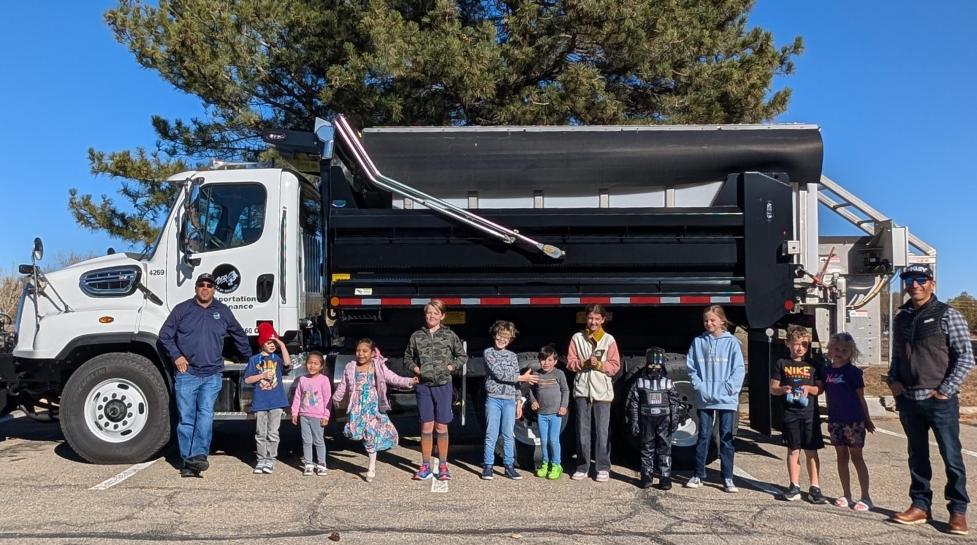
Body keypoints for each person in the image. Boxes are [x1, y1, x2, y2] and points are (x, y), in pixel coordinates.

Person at [887, 263, 975, 535]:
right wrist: (893, 381)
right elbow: (898, 356)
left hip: (939, 401)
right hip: (909, 400)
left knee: (951, 457)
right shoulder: (901, 318)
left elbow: (966, 357)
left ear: (932, 283)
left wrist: (945, 390)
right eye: (909, 280)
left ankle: (958, 511)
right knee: (917, 456)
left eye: (921, 279)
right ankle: (920, 505)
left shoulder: (948, 315)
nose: (915, 284)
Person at [159, 272, 252, 478]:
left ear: (214, 289)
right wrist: (176, 356)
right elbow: (165, 335)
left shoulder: (222, 311)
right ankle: (187, 461)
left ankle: (199, 456)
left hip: (212, 375)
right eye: (201, 284)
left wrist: (250, 359)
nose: (205, 288)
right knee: (187, 419)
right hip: (187, 374)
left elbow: (238, 333)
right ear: (196, 288)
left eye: (209, 285)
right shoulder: (182, 309)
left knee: (205, 416)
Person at [333, 339, 416, 482]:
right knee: (354, 433)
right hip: (357, 405)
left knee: (370, 434)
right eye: (358, 351)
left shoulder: (377, 366)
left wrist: (408, 381)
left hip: (372, 404)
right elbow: (344, 384)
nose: (361, 354)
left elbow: (392, 378)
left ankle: (371, 466)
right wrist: (336, 397)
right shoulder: (350, 366)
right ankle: (370, 452)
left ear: (372, 353)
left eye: (365, 351)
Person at [404, 299, 468, 481]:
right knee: (426, 425)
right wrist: (417, 369)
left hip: (443, 385)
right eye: (428, 313)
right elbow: (407, 358)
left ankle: (443, 465)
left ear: (442, 316)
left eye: (435, 313)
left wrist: (450, 367)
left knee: (441, 426)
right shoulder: (417, 336)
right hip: (423, 386)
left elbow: (462, 356)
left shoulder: (449, 335)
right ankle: (425, 465)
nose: (431, 316)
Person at [684, 304, 745, 493]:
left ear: (722, 321)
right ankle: (698, 474)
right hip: (705, 397)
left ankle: (727, 477)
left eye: (712, 320)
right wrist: (700, 387)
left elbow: (739, 369)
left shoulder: (732, 342)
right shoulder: (698, 342)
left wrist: (728, 389)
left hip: (726, 398)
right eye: (706, 320)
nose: (708, 323)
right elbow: (691, 367)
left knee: (726, 438)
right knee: (703, 436)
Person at [769, 325, 827, 504]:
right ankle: (794, 485)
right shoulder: (781, 363)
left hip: (810, 413)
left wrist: (810, 388)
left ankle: (815, 487)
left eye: (804, 344)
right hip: (790, 413)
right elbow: (773, 388)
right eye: (796, 344)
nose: (800, 348)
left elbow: (820, 389)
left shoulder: (813, 364)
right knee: (793, 449)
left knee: (811, 450)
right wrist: (782, 389)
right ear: (788, 344)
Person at [566, 304, 620, 482]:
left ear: (603, 320)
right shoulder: (577, 338)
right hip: (582, 390)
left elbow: (615, 366)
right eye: (590, 318)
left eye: (597, 319)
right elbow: (570, 362)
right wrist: (583, 363)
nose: (593, 322)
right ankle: (582, 465)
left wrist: (599, 365)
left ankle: (603, 466)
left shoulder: (609, 339)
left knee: (602, 430)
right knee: (583, 430)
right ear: (585, 319)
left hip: (602, 391)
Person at [481, 321, 538, 480]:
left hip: (508, 400)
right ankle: (487, 466)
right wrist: (522, 377)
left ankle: (509, 466)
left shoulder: (513, 356)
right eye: (500, 336)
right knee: (491, 434)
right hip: (493, 398)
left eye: (506, 338)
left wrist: (518, 401)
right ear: (495, 335)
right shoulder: (488, 353)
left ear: (510, 339)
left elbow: (516, 383)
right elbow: (499, 374)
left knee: (508, 434)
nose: (502, 340)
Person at [823, 332, 875, 512]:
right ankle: (846, 493)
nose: (839, 353)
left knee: (856, 457)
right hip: (836, 420)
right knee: (841, 456)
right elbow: (829, 396)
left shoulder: (853, 373)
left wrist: (867, 419)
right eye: (836, 349)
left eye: (844, 350)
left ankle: (866, 496)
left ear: (850, 353)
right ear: (830, 350)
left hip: (853, 420)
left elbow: (861, 398)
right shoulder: (827, 372)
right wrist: (829, 416)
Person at [628, 347, 682, 490]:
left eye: (657, 365)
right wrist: (634, 421)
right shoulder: (640, 382)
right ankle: (646, 476)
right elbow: (633, 403)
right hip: (646, 420)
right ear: (646, 365)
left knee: (665, 448)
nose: (654, 368)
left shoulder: (668, 383)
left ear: (662, 365)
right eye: (651, 365)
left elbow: (675, 402)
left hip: (664, 420)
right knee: (647, 448)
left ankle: (665, 477)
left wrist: (674, 419)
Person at [243, 322, 291, 474]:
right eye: (269, 342)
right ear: (262, 343)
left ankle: (271, 460)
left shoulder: (276, 358)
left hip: (276, 401)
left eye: (274, 342)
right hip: (261, 402)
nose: (272, 345)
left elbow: (288, 363)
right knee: (260, 433)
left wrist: (282, 345)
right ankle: (261, 460)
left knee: (273, 433)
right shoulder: (254, 360)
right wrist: (262, 375)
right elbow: (247, 379)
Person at [529, 345, 569, 480]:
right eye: (543, 360)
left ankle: (556, 464)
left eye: (550, 360)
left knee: (553, 440)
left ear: (555, 361)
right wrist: (533, 401)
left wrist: (564, 406)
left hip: (556, 414)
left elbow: (565, 390)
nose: (546, 363)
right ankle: (545, 464)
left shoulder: (559, 374)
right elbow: (530, 390)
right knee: (544, 441)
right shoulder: (536, 374)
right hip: (542, 414)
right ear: (539, 360)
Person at [290, 351, 332, 476]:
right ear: (305, 364)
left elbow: (327, 399)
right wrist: (294, 412)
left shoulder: (324, 380)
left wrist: (326, 415)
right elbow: (297, 397)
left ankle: (321, 464)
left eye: (315, 364)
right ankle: (308, 463)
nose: (312, 366)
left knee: (318, 440)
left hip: (318, 416)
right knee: (306, 440)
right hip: (304, 415)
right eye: (309, 363)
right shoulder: (302, 379)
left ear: (321, 366)